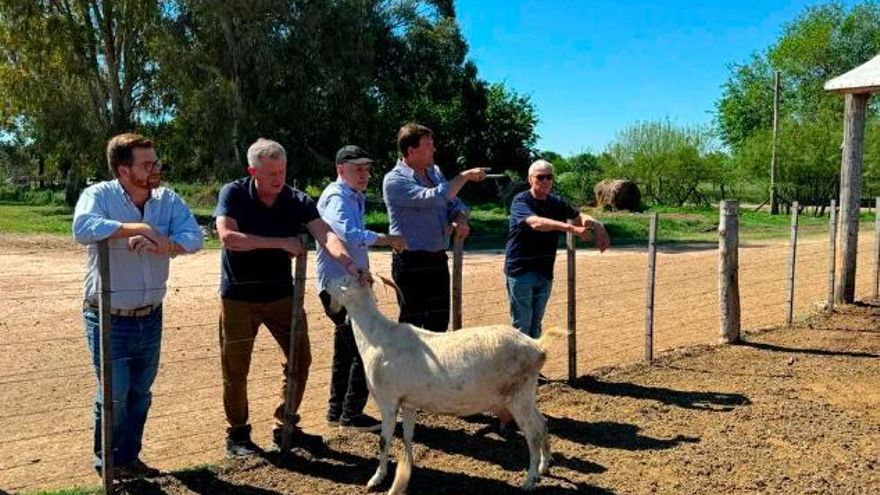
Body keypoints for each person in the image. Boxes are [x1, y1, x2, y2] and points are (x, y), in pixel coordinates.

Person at [214, 138, 367, 458]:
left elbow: (325, 234)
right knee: (236, 367)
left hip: (283, 295)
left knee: (300, 358)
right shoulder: (234, 193)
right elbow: (228, 238)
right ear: (252, 170)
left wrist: (349, 263)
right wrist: (281, 243)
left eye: (282, 171)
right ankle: (238, 435)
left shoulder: (296, 199)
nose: (278, 179)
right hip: (239, 297)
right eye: (270, 173)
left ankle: (286, 424)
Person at [73, 133, 203, 479]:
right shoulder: (98, 195)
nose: (156, 168)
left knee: (140, 394)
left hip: (151, 314)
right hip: (107, 316)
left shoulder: (167, 199)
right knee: (113, 395)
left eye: (155, 161)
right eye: (147, 164)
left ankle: (129, 459)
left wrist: (165, 245)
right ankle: (109, 465)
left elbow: (195, 237)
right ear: (123, 170)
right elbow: (83, 227)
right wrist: (142, 227)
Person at [315, 145, 406, 432]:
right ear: (341, 169)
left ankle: (338, 411)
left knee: (345, 348)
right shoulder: (337, 197)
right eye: (358, 169)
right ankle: (351, 415)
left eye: (366, 168)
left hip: (345, 283)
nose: (364, 174)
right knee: (362, 348)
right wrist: (386, 239)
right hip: (340, 286)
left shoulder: (351, 196)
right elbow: (346, 233)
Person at [382, 123, 487, 332]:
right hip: (411, 262)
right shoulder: (394, 180)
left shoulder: (435, 172)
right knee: (412, 329)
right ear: (411, 151)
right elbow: (434, 197)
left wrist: (461, 218)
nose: (434, 149)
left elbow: (455, 204)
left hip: (438, 259)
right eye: (429, 145)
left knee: (439, 324)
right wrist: (464, 176)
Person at [504, 159, 611, 339]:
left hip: (545, 271)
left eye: (549, 177)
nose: (546, 181)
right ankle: (521, 367)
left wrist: (599, 226)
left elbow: (579, 216)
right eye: (540, 177)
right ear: (530, 179)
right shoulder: (521, 200)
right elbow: (536, 223)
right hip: (521, 270)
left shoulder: (556, 202)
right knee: (522, 325)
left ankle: (533, 367)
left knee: (536, 324)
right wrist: (571, 229)